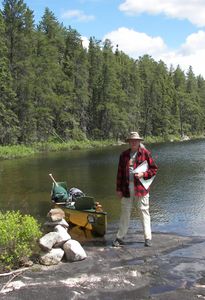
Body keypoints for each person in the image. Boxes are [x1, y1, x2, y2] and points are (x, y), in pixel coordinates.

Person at [112, 131, 158, 247]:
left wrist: (143, 174)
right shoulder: (123, 155)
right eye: (132, 141)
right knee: (125, 213)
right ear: (129, 142)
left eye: (136, 141)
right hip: (126, 188)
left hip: (141, 188)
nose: (133, 142)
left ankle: (148, 238)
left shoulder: (146, 153)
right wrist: (118, 189)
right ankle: (120, 237)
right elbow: (120, 174)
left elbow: (153, 170)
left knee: (144, 212)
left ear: (139, 142)